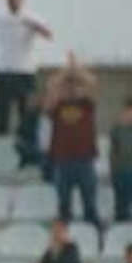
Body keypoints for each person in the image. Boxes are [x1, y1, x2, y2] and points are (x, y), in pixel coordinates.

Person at [0, 0, 52, 140]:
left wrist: (34, 26)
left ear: (21, 0)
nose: (13, 1)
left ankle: (26, 143)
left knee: (27, 113)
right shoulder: (2, 17)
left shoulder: (30, 16)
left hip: (25, 71)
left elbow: (48, 34)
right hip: (4, 70)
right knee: (2, 113)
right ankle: (2, 144)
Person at [43, 57, 100, 225]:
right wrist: (65, 73)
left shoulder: (87, 105)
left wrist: (76, 70)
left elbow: (93, 83)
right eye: (69, 86)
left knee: (90, 205)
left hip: (85, 160)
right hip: (62, 160)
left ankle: (94, 238)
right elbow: (50, 88)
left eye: (76, 86)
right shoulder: (57, 106)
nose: (72, 89)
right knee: (63, 207)